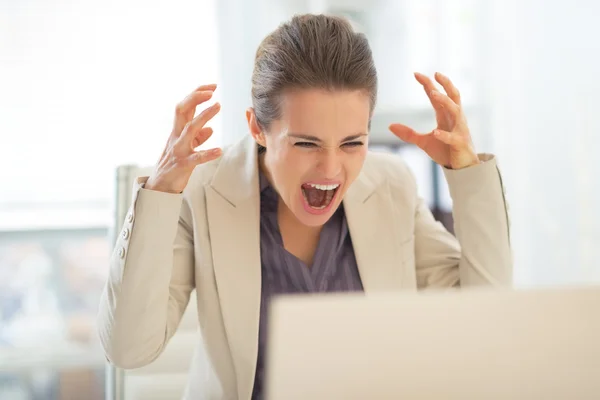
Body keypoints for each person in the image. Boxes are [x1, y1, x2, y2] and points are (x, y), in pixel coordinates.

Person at [97, 13, 512, 400]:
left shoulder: (391, 186)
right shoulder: (204, 191)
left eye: (352, 142)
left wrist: (468, 175)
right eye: (306, 143)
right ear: (258, 128)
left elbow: (485, 321)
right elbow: (130, 349)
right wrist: (161, 191)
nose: (331, 169)